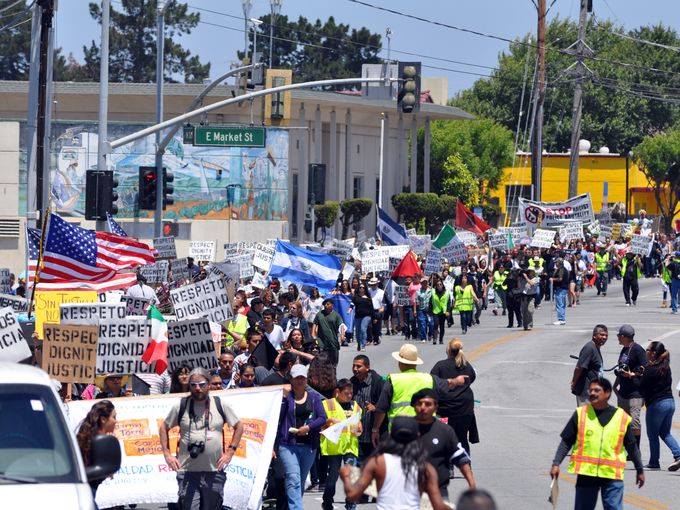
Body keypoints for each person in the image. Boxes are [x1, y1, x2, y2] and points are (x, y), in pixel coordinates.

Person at [550, 377, 644, 510]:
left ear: (607, 393)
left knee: (614, 508)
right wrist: (556, 463)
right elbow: (566, 441)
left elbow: (631, 446)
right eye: (590, 390)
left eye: (597, 390)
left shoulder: (621, 417)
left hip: (612, 475)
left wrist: (639, 469)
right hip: (586, 475)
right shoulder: (580, 414)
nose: (592, 393)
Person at [159, 367, 244, 510]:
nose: (197, 388)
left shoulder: (219, 403)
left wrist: (230, 452)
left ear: (209, 384)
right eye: (193, 385)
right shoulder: (181, 405)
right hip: (187, 472)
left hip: (214, 471)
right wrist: (167, 454)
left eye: (202, 385)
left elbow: (239, 426)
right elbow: (163, 428)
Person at [339, 416, 450, 510]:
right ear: (417, 436)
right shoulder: (425, 467)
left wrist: (346, 476)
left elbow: (353, 495)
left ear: (391, 435)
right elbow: (438, 505)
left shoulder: (378, 463)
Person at [371, 343, 470, 446]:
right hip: (425, 433)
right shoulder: (429, 378)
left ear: (400, 363)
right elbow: (448, 384)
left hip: (399, 434)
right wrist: (457, 380)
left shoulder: (393, 380)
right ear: (415, 363)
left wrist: (375, 429)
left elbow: (381, 409)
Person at [411, 389, 476, 501]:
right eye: (419, 403)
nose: (423, 407)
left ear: (436, 407)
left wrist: (472, 485)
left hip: (439, 493)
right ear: (413, 406)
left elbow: (460, 458)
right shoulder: (404, 429)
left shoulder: (445, 431)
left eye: (428, 404)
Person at [277, 364, 327, 510]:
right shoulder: (286, 397)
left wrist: (309, 427)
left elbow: (322, 418)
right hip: (288, 445)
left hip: (308, 446)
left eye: (302, 378)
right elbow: (278, 418)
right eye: (297, 378)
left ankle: (290, 506)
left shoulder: (314, 397)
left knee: (300, 481)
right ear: (291, 380)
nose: (300, 381)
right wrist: (283, 400)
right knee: (293, 478)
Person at [320, 379, 363, 510]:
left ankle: (351, 505)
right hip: (334, 447)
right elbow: (319, 424)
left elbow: (360, 427)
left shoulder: (355, 406)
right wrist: (329, 421)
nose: (350, 396)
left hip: (350, 446)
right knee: (333, 476)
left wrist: (359, 430)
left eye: (351, 393)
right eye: (347, 393)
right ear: (338, 392)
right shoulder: (327, 404)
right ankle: (327, 501)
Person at [430, 339, 479, 455]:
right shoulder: (467, 365)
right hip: (465, 409)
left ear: (448, 350)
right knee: (462, 439)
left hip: (445, 410)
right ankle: (466, 466)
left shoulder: (440, 366)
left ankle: (449, 467)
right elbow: (472, 378)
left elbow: (432, 382)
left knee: (445, 439)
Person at [637, 342, 680, 470]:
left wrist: (634, 376)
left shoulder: (650, 369)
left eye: (648, 350)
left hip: (657, 405)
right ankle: (678, 454)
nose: (646, 352)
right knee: (665, 432)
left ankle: (654, 463)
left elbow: (641, 387)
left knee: (653, 434)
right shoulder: (665, 367)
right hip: (670, 403)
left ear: (653, 353)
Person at [612, 325, 646, 449]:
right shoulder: (625, 349)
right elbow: (622, 368)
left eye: (618, 336)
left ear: (623, 336)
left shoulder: (638, 350)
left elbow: (645, 370)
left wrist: (632, 375)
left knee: (634, 422)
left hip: (635, 393)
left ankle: (635, 450)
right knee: (623, 422)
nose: (617, 338)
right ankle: (628, 449)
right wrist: (615, 385)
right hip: (623, 393)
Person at [76, 400, 117, 500]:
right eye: (114, 417)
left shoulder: (88, 438)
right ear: (103, 419)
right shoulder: (98, 441)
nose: (116, 421)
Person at [350, 354, 386, 463]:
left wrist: (376, 408)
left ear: (367, 367)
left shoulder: (378, 383)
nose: (355, 369)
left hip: (373, 438)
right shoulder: (351, 383)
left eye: (358, 366)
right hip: (356, 437)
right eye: (354, 366)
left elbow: (386, 406)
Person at [571, 325, 608, 405]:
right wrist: (574, 382)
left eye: (606, 335)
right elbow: (579, 367)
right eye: (601, 334)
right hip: (586, 391)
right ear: (594, 336)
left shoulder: (596, 347)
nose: (604, 337)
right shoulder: (589, 348)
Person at [313, 298, 344, 365]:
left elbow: (341, 325)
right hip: (321, 341)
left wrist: (342, 335)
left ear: (332, 305)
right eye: (324, 304)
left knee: (334, 363)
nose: (326, 305)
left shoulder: (336, 315)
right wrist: (313, 334)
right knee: (322, 361)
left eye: (328, 304)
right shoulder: (319, 314)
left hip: (333, 341)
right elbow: (315, 323)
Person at [352, 282, 374, 351]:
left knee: (363, 329)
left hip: (366, 316)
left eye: (363, 288)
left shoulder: (368, 298)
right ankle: (359, 343)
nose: (361, 289)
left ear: (365, 289)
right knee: (358, 332)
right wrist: (349, 309)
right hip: (358, 316)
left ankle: (363, 345)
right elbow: (352, 304)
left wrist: (374, 318)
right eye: (360, 287)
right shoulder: (355, 297)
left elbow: (371, 308)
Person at [551, 257, 569, 325]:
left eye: (556, 262)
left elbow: (560, 278)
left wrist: (553, 279)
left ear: (559, 262)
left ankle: (561, 319)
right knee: (562, 304)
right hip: (563, 288)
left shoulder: (561, 270)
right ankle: (562, 319)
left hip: (560, 288)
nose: (555, 264)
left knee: (559, 304)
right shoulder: (563, 269)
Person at [416, 277, 435, 343]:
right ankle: (423, 337)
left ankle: (430, 334)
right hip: (422, 309)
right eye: (423, 282)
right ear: (421, 283)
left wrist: (431, 290)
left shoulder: (432, 290)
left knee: (431, 323)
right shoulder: (418, 291)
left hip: (430, 310)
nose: (424, 283)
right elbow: (418, 299)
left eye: (426, 282)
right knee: (422, 324)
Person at [432, 280, 450, 345]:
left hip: (443, 312)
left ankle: (441, 339)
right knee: (435, 324)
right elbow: (430, 302)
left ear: (442, 285)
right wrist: (430, 311)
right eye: (438, 285)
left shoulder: (446, 293)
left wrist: (448, 311)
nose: (439, 286)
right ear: (436, 286)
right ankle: (434, 338)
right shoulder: (433, 293)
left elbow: (448, 303)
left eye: (440, 284)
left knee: (442, 326)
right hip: (435, 311)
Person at [367, 277, 384, 345]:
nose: (373, 285)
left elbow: (383, 303)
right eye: (372, 284)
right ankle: (369, 339)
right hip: (369, 310)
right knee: (369, 325)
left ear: (377, 284)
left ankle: (376, 339)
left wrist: (382, 309)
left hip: (377, 310)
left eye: (374, 284)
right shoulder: (368, 291)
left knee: (376, 326)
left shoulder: (381, 292)